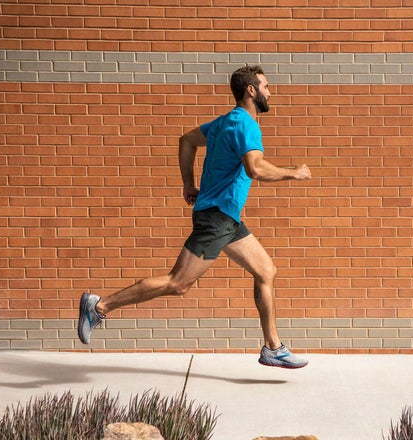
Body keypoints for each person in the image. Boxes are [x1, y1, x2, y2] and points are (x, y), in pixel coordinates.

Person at [77, 65, 312, 368]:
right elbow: (256, 167)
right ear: (251, 90)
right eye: (266, 86)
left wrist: (188, 183)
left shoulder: (224, 122)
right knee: (178, 283)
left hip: (226, 218)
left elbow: (186, 140)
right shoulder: (247, 125)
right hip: (216, 218)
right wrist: (292, 173)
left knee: (266, 271)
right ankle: (100, 306)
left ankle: (273, 348)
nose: (270, 92)